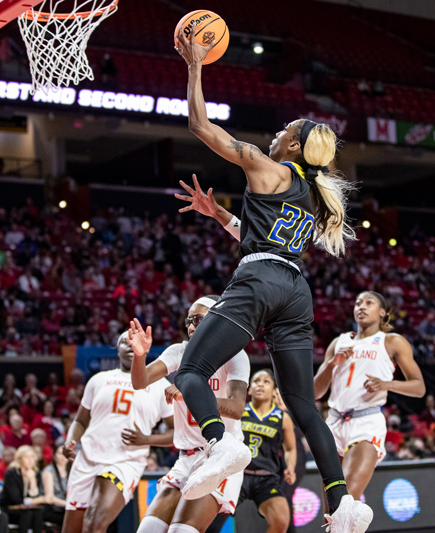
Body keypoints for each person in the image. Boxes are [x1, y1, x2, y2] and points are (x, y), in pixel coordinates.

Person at [172, 30, 370, 525]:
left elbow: (199, 124)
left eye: (287, 128)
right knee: (304, 406)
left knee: (190, 372)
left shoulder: (267, 165)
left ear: (296, 144)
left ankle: (220, 445)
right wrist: (219, 215)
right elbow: (267, 236)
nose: (278, 131)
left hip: (259, 281)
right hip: (295, 290)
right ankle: (343, 503)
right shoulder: (312, 190)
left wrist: (196, 64)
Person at [129, 296, 249, 533]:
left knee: (180, 531)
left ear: (217, 320)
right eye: (188, 321)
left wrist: (191, 394)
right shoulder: (178, 351)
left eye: (198, 319)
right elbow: (139, 381)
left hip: (220, 458)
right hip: (186, 458)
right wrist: (140, 356)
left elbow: (236, 408)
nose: (191, 326)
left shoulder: (235, 355)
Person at [314, 291, 424, 503]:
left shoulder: (391, 341)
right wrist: (330, 364)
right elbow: (316, 392)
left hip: (365, 421)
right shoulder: (339, 342)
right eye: (357, 303)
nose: (361, 307)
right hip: (334, 422)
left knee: (342, 502)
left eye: (368, 303)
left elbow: (419, 387)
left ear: (382, 312)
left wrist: (386, 384)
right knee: (331, 515)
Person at [62, 332, 173, 533]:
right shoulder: (99, 379)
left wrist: (147, 439)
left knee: (94, 525)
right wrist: (70, 441)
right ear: (117, 348)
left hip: (124, 462)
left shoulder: (159, 385)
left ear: (146, 348)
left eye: (136, 342)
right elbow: (80, 420)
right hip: (86, 460)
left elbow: (178, 433)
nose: (131, 346)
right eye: (126, 342)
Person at [239, 370, 297, 533]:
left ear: (274, 391)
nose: (260, 385)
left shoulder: (282, 417)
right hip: (238, 474)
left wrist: (290, 467)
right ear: (249, 389)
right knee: (212, 520)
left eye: (266, 382)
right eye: (256, 381)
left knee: (281, 521)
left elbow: (290, 448)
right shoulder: (239, 411)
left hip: (267, 477)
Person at [1, 446, 47, 533]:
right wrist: (37, 500)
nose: (30, 460)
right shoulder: (11, 474)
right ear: (19, 459)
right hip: (11, 509)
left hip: (29, 509)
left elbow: (36, 496)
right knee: (27, 513)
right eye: (26, 457)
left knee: (38, 512)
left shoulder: (36, 473)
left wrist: (32, 480)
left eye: (32, 457)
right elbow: (16, 499)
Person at [41, 445, 70, 527]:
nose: (63, 457)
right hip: (52, 509)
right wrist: (68, 504)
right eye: (60, 454)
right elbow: (50, 498)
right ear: (54, 455)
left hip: (66, 508)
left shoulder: (72, 470)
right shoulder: (48, 471)